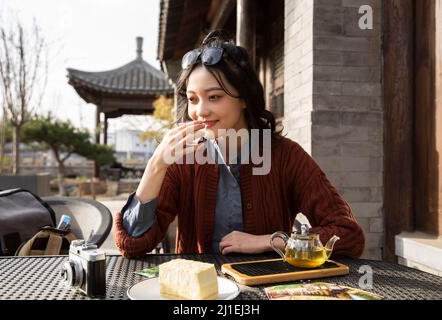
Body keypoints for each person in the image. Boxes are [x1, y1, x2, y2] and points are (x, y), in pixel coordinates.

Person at [114, 30, 365, 258]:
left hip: (270, 288)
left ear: (244, 97)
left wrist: (272, 241)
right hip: (198, 296)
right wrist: (156, 165)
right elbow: (132, 245)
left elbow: (348, 235)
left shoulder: (285, 155)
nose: (200, 110)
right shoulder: (182, 159)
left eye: (214, 97)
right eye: (192, 99)